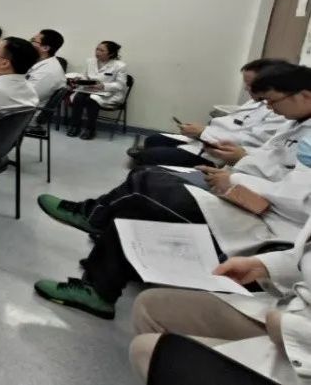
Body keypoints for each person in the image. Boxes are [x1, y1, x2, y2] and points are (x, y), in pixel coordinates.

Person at [34, 64, 311, 320]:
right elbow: (267, 164)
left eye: (273, 102)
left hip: (268, 225)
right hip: (246, 198)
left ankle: (93, 219)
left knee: (150, 183)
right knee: (138, 201)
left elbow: (299, 199)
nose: (270, 108)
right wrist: (235, 170)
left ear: (305, 96)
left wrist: (235, 177)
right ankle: (96, 288)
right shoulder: (296, 123)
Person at [129, 183, 311, 383]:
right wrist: (264, 266)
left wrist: (288, 327)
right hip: (290, 310)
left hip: (299, 345)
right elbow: (304, 251)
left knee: (148, 351)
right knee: (150, 306)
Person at [130, 58, 289, 167]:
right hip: (206, 142)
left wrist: (203, 132)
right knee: (153, 140)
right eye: (245, 84)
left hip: (216, 155)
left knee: (149, 156)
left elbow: (250, 142)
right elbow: (233, 125)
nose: (246, 89)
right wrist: (199, 132)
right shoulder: (255, 102)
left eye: (250, 84)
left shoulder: (278, 112)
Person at [65, 41, 128, 140]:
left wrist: (103, 86)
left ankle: (90, 129)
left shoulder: (120, 66)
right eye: (97, 49)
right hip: (89, 90)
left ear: (111, 53)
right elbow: (85, 76)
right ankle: (75, 126)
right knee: (78, 97)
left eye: (102, 50)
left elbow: (120, 85)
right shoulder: (90, 61)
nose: (97, 52)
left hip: (109, 93)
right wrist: (80, 80)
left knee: (92, 100)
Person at [25, 29, 66, 106]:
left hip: (26, 110)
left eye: (33, 40)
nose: (29, 43)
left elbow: (26, 97)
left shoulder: (48, 72)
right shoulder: (40, 62)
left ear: (45, 48)